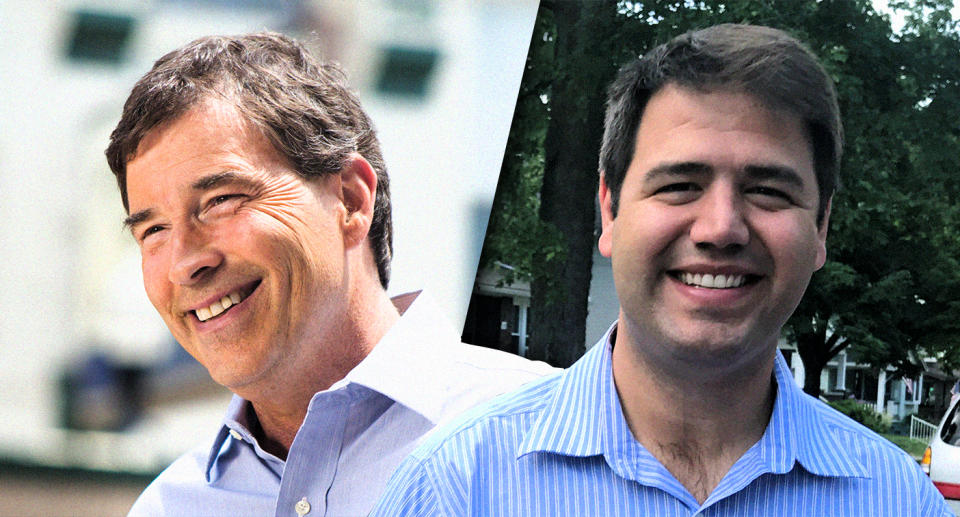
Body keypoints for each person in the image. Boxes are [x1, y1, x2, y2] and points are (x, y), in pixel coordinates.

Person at [371, 24, 952, 516]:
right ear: (610, 210)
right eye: (679, 186)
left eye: (768, 191)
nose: (721, 227)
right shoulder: (455, 488)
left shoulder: (896, 499)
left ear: (820, 226)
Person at [105, 32, 554, 516]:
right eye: (153, 229)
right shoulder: (169, 507)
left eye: (221, 201)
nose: (185, 262)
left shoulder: (549, 434)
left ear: (351, 200)